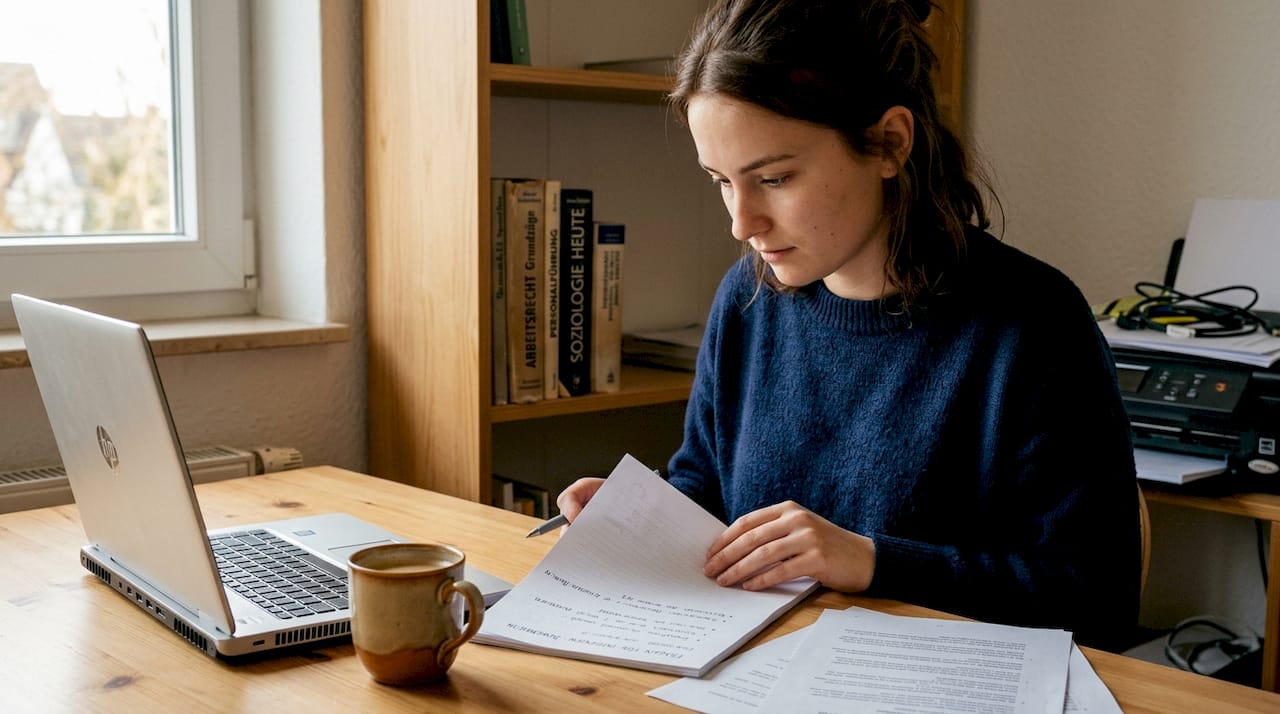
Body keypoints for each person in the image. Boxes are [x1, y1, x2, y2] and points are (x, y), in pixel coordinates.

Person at [557, 0, 1140, 650]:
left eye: (774, 178)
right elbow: (707, 485)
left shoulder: (1032, 324)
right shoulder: (747, 300)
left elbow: (1097, 598)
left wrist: (870, 561)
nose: (741, 223)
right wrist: (640, 516)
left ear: (889, 143)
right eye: (721, 181)